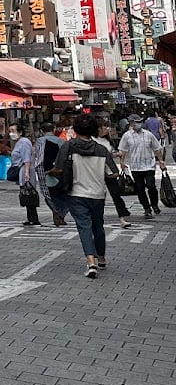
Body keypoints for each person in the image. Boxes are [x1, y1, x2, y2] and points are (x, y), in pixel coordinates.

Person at [50, 114, 118, 278]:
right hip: (97, 194)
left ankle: (91, 262)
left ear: (75, 129)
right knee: (98, 226)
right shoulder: (101, 150)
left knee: (84, 227)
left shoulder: (68, 146)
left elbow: (58, 169)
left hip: (76, 193)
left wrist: (51, 173)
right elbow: (113, 173)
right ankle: (101, 257)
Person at [119, 114, 165, 220]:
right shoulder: (127, 136)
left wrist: (161, 161)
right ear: (131, 123)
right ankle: (146, 208)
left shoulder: (148, 135)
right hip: (135, 167)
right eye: (135, 122)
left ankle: (154, 204)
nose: (138, 124)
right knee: (140, 188)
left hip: (149, 166)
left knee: (151, 185)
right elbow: (123, 150)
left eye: (139, 121)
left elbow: (157, 149)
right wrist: (122, 162)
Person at [96, 116, 133, 228]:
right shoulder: (92, 141)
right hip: (96, 171)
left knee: (116, 194)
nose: (106, 129)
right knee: (99, 195)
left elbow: (109, 154)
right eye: (104, 126)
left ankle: (122, 217)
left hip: (109, 172)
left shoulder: (106, 140)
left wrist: (117, 154)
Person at [34, 122, 68, 227]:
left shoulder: (40, 141)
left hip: (43, 170)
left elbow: (37, 157)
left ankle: (55, 210)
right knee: (63, 193)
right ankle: (61, 214)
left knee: (47, 193)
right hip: (59, 170)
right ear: (53, 129)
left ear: (41, 131)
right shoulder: (61, 141)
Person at [8, 123, 41, 226]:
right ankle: (30, 217)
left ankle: (33, 218)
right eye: (10, 131)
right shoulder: (18, 142)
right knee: (26, 192)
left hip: (26, 170)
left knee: (28, 192)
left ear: (20, 132)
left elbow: (26, 158)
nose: (11, 133)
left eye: (13, 131)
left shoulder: (24, 142)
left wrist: (26, 172)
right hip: (22, 170)